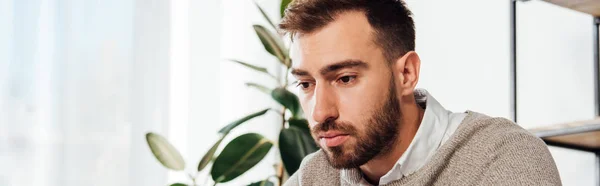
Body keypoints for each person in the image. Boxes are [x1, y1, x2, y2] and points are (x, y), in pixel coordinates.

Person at [279, 0, 561, 185]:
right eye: (306, 84)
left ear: (406, 74)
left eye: (345, 78)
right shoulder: (312, 177)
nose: (320, 112)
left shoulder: (502, 159)